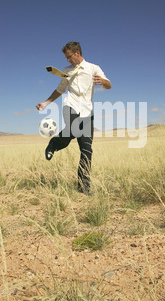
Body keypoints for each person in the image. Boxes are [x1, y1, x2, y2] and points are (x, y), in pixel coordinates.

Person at [36, 41, 111, 195]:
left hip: (87, 112)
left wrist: (103, 82)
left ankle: (83, 187)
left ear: (77, 53)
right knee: (73, 129)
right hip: (70, 106)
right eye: (66, 58)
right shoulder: (66, 71)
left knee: (86, 150)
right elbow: (60, 90)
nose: (68, 60)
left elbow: (109, 84)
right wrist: (46, 103)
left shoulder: (93, 68)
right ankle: (54, 144)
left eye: (69, 57)